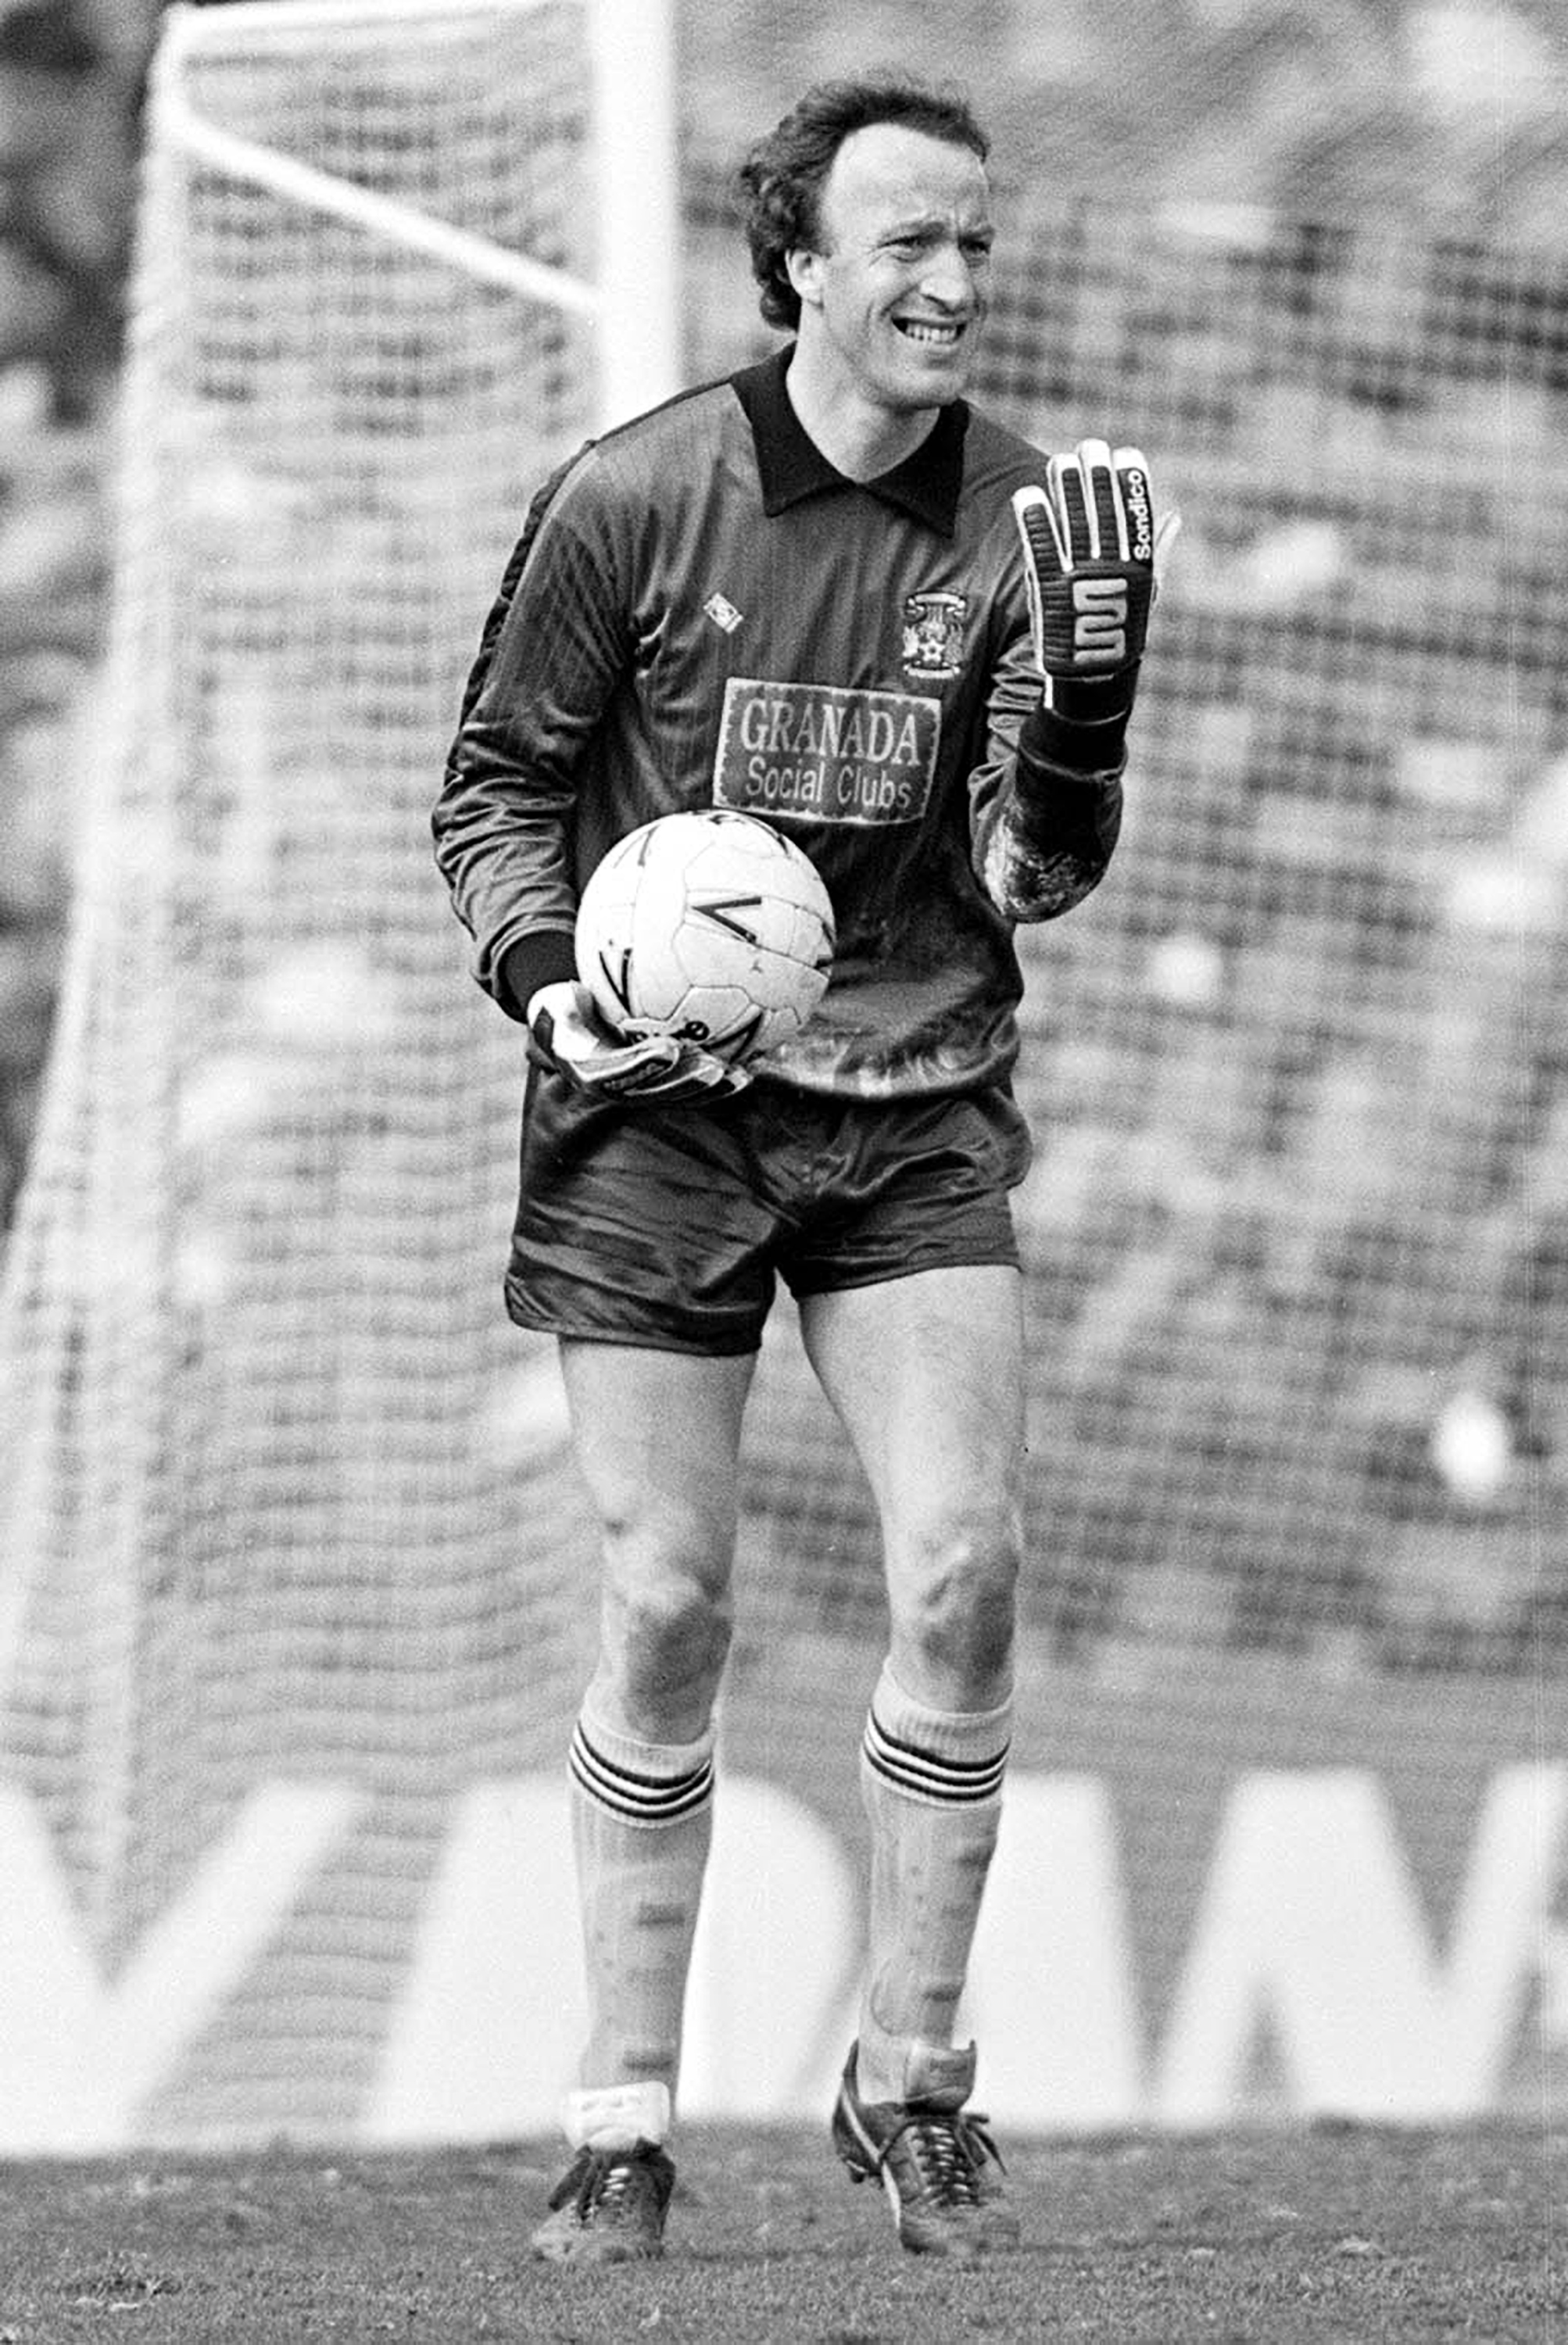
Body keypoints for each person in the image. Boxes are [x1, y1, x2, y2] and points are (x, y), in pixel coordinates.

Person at [433, 72, 1176, 2265]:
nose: (955, 281)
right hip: (654, 1117)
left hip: (913, 1097)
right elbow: (493, 791)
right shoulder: (637, 498)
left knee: (965, 1568)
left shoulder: (1032, 520)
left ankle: (914, 2082)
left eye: (975, 244)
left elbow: (1034, 878)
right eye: (908, 243)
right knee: (668, 1601)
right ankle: (621, 2121)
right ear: (799, 266)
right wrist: (551, 980)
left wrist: (1085, 727)